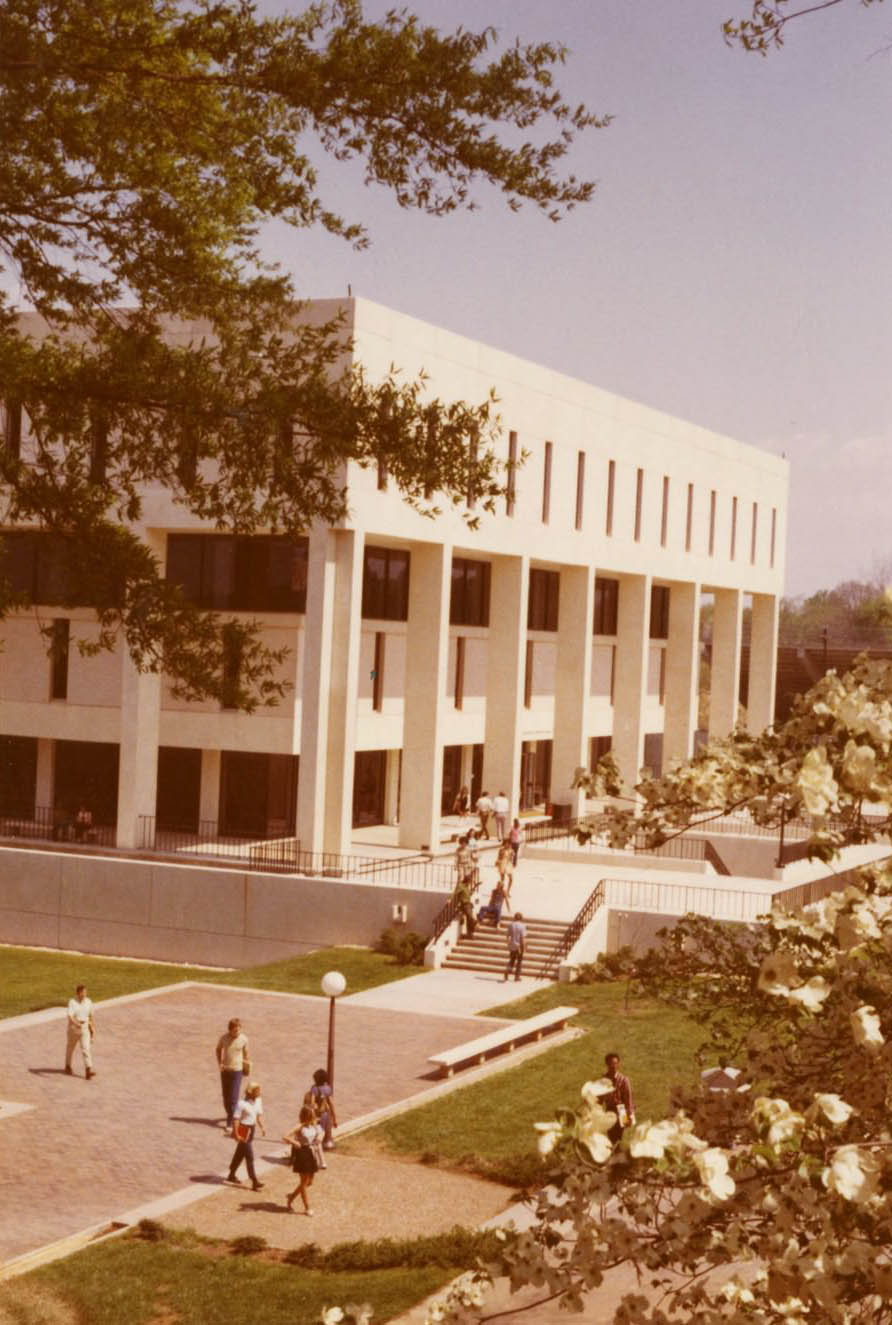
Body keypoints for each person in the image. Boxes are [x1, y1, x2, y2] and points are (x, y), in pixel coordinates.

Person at [283, 1105, 322, 1214]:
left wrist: (319, 1138)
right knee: (304, 1182)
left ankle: (291, 1198)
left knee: (310, 1182)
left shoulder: (313, 1125)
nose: (313, 1117)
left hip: (310, 1153)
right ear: (306, 1116)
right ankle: (307, 1207)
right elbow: (285, 1136)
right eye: (311, 1115)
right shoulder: (300, 1126)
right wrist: (294, 1142)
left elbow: (320, 1133)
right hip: (302, 1154)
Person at [226, 1081, 265, 1189]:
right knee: (249, 1156)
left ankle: (231, 1174)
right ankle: (254, 1180)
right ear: (250, 1092)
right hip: (243, 1129)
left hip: (251, 1129)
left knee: (240, 1153)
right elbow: (236, 1119)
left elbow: (258, 1115)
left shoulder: (258, 1101)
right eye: (257, 1091)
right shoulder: (241, 1104)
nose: (259, 1093)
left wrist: (262, 1127)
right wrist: (236, 1133)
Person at [216, 1017, 251, 1131]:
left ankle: (230, 1122)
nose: (237, 1032)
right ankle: (231, 1114)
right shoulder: (224, 1038)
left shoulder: (244, 1039)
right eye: (235, 1030)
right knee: (226, 1098)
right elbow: (218, 1049)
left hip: (237, 1071)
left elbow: (246, 1054)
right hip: (225, 1070)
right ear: (230, 1030)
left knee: (233, 1097)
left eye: (239, 1030)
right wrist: (220, 1063)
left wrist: (246, 1066)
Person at [604, 1052, 635, 1145]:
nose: (613, 1066)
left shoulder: (623, 1079)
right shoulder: (604, 1079)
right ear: (607, 1064)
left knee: (621, 1136)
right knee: (611, 1135)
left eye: (615, 1063)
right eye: (611, 1063)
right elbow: (599, 1095)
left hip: (621, 1110)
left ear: (618, 1064)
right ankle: (614, 1155)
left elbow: (628, 1098)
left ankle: (621, 1154)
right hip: (609, 1110)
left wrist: (629, 1114)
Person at [65, 983, 95, 1078]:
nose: (85, 994)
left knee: (86, 1049)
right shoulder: (72, 1002)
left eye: (85, 992)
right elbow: (70, 1016)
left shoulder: (89, 1002)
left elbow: (90, 1016)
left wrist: (92, 1028)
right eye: (83, 992)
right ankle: (68, 1065)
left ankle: (88, 1070)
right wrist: (76, 1023)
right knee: (70, 1048)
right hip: (74, 1028)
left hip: (85, 1027)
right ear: (78, 993)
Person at [305, 1067, 338, 1151]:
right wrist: (335, 1119)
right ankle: (322, 1147)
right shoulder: (327, 1089)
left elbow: (312, 1103)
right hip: (325, 1114)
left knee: (315, 1133)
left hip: (316, 1115)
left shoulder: (314, 1088)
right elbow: (331, 1104)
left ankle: (315, 1149)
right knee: (322, 1133)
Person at [503, 911, 526, 981]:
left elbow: (507, 936)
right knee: (519, 962)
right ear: (521, 918)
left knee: (512, 960)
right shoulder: (522, 926)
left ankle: (507, 971)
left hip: (512, 945)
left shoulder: (511, 925)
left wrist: (508, 944)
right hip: (519, 946)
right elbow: (523, 938)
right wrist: (524, 948)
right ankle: (517, 976)